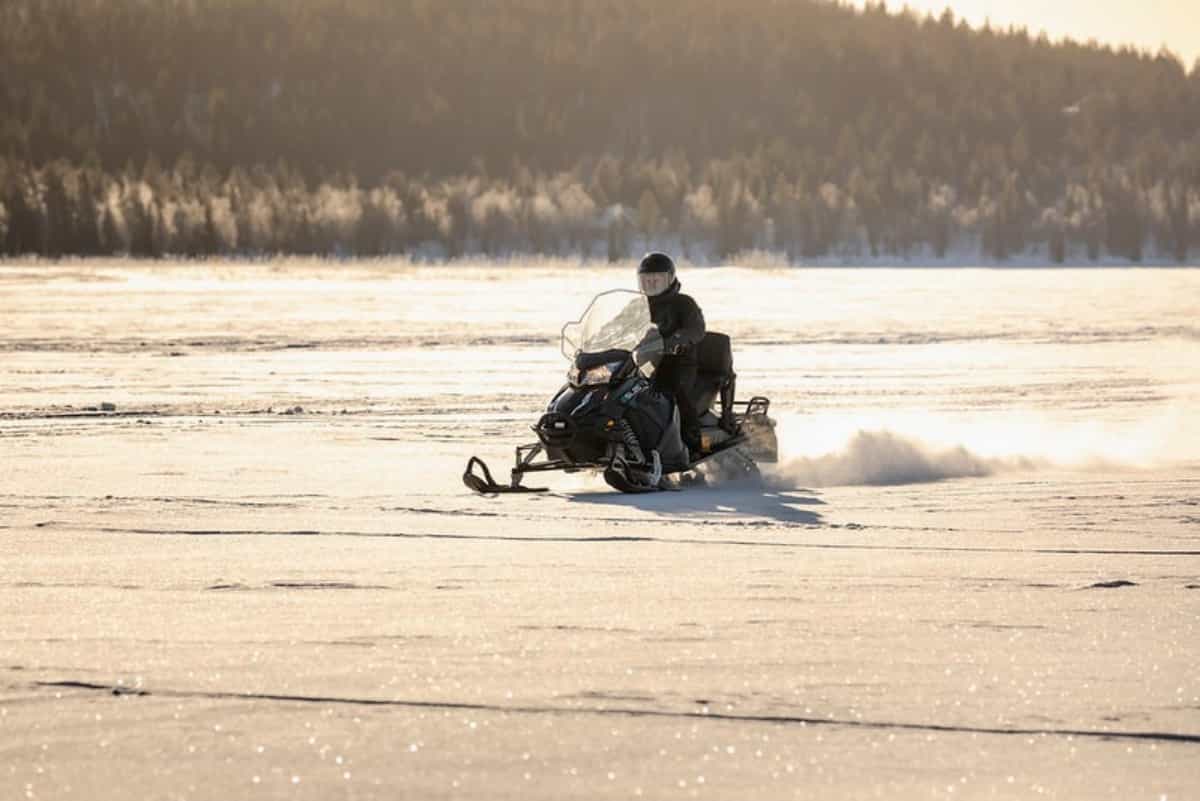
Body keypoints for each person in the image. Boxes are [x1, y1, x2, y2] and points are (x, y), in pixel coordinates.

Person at [637, 251, 706, 455]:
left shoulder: (684, 303)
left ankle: (693, 442)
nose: (651, 285)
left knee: (673, 390)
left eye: (656, 280)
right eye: (646, 281)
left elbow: (696, 328)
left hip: (678, 361)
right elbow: (615, 328)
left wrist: (677, 340)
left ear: (669, 279)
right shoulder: (636, 307)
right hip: (642, 362)